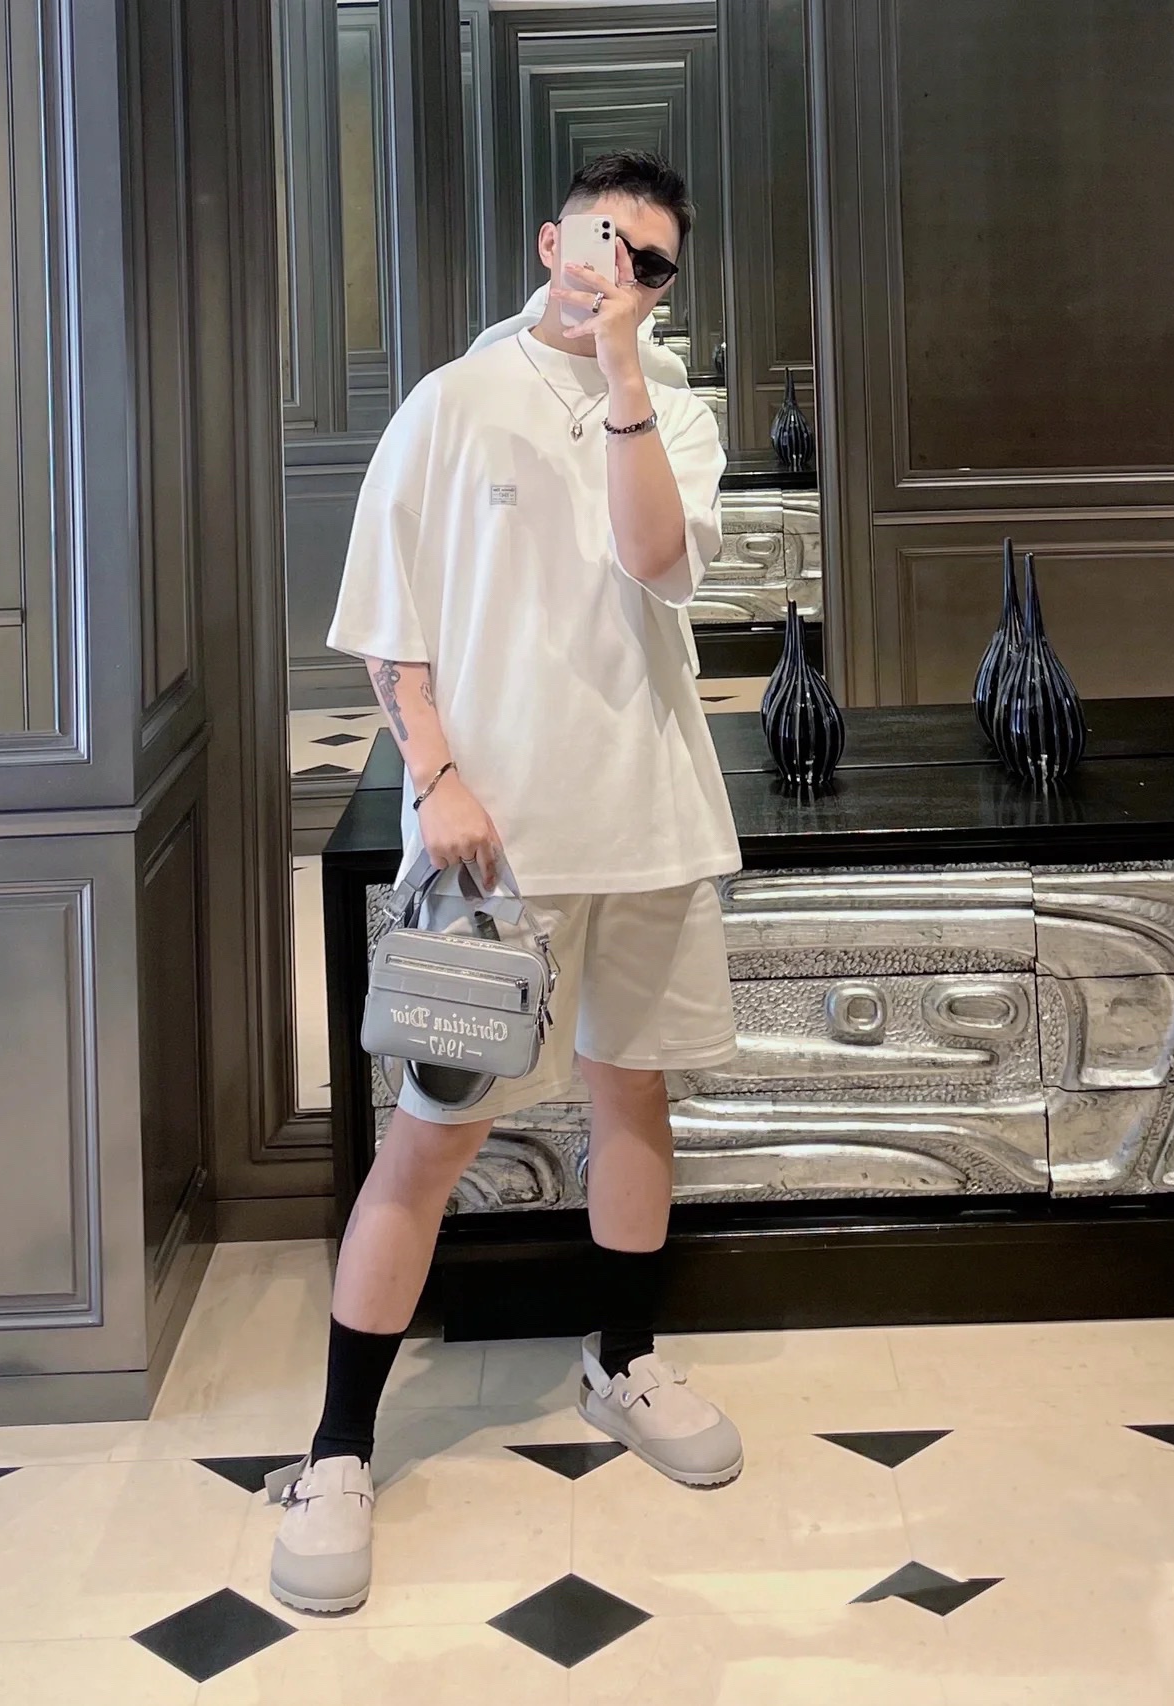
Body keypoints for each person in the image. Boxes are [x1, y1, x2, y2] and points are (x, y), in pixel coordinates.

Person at [268, 150, 744, 1616]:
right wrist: (435, 774)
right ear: (551, 240)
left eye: (653, 263)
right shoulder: (452, 400)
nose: (623, 272)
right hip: (492, 843)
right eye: (605, 241)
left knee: (631, 1094)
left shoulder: (677, 410)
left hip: (646, 819)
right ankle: (337, 1447)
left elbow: (657, 561)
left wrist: (626, 374)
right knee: (433, 1133)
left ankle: (622, 1359)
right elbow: (388, 620)